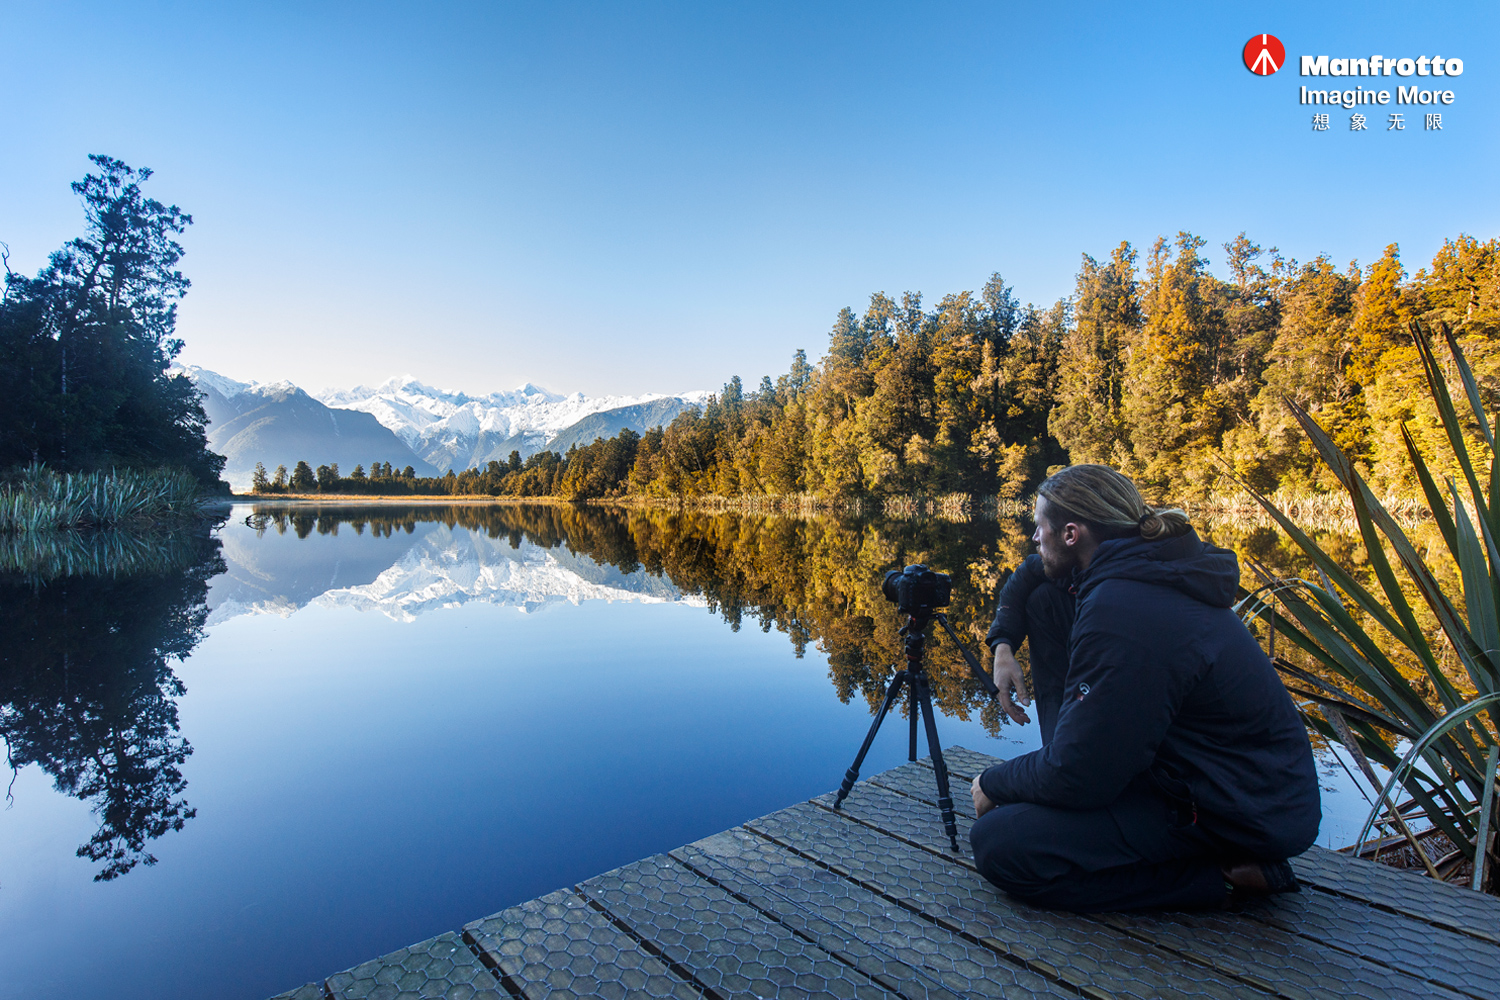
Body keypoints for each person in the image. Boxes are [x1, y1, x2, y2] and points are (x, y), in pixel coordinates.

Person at [968, 464, 1320, 911]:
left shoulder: (1122, 610)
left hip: (1241, 809)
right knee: (1046, 598)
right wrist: (1002, 646)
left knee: (1002, 846)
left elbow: (1081, 774)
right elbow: (1031, 576)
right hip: (1212, 772)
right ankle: (1067, 760)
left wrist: (994, 782)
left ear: (1071, 533)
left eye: (1039, 527)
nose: (1034, 539)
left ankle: (1227, 879)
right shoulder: (1141, 565)